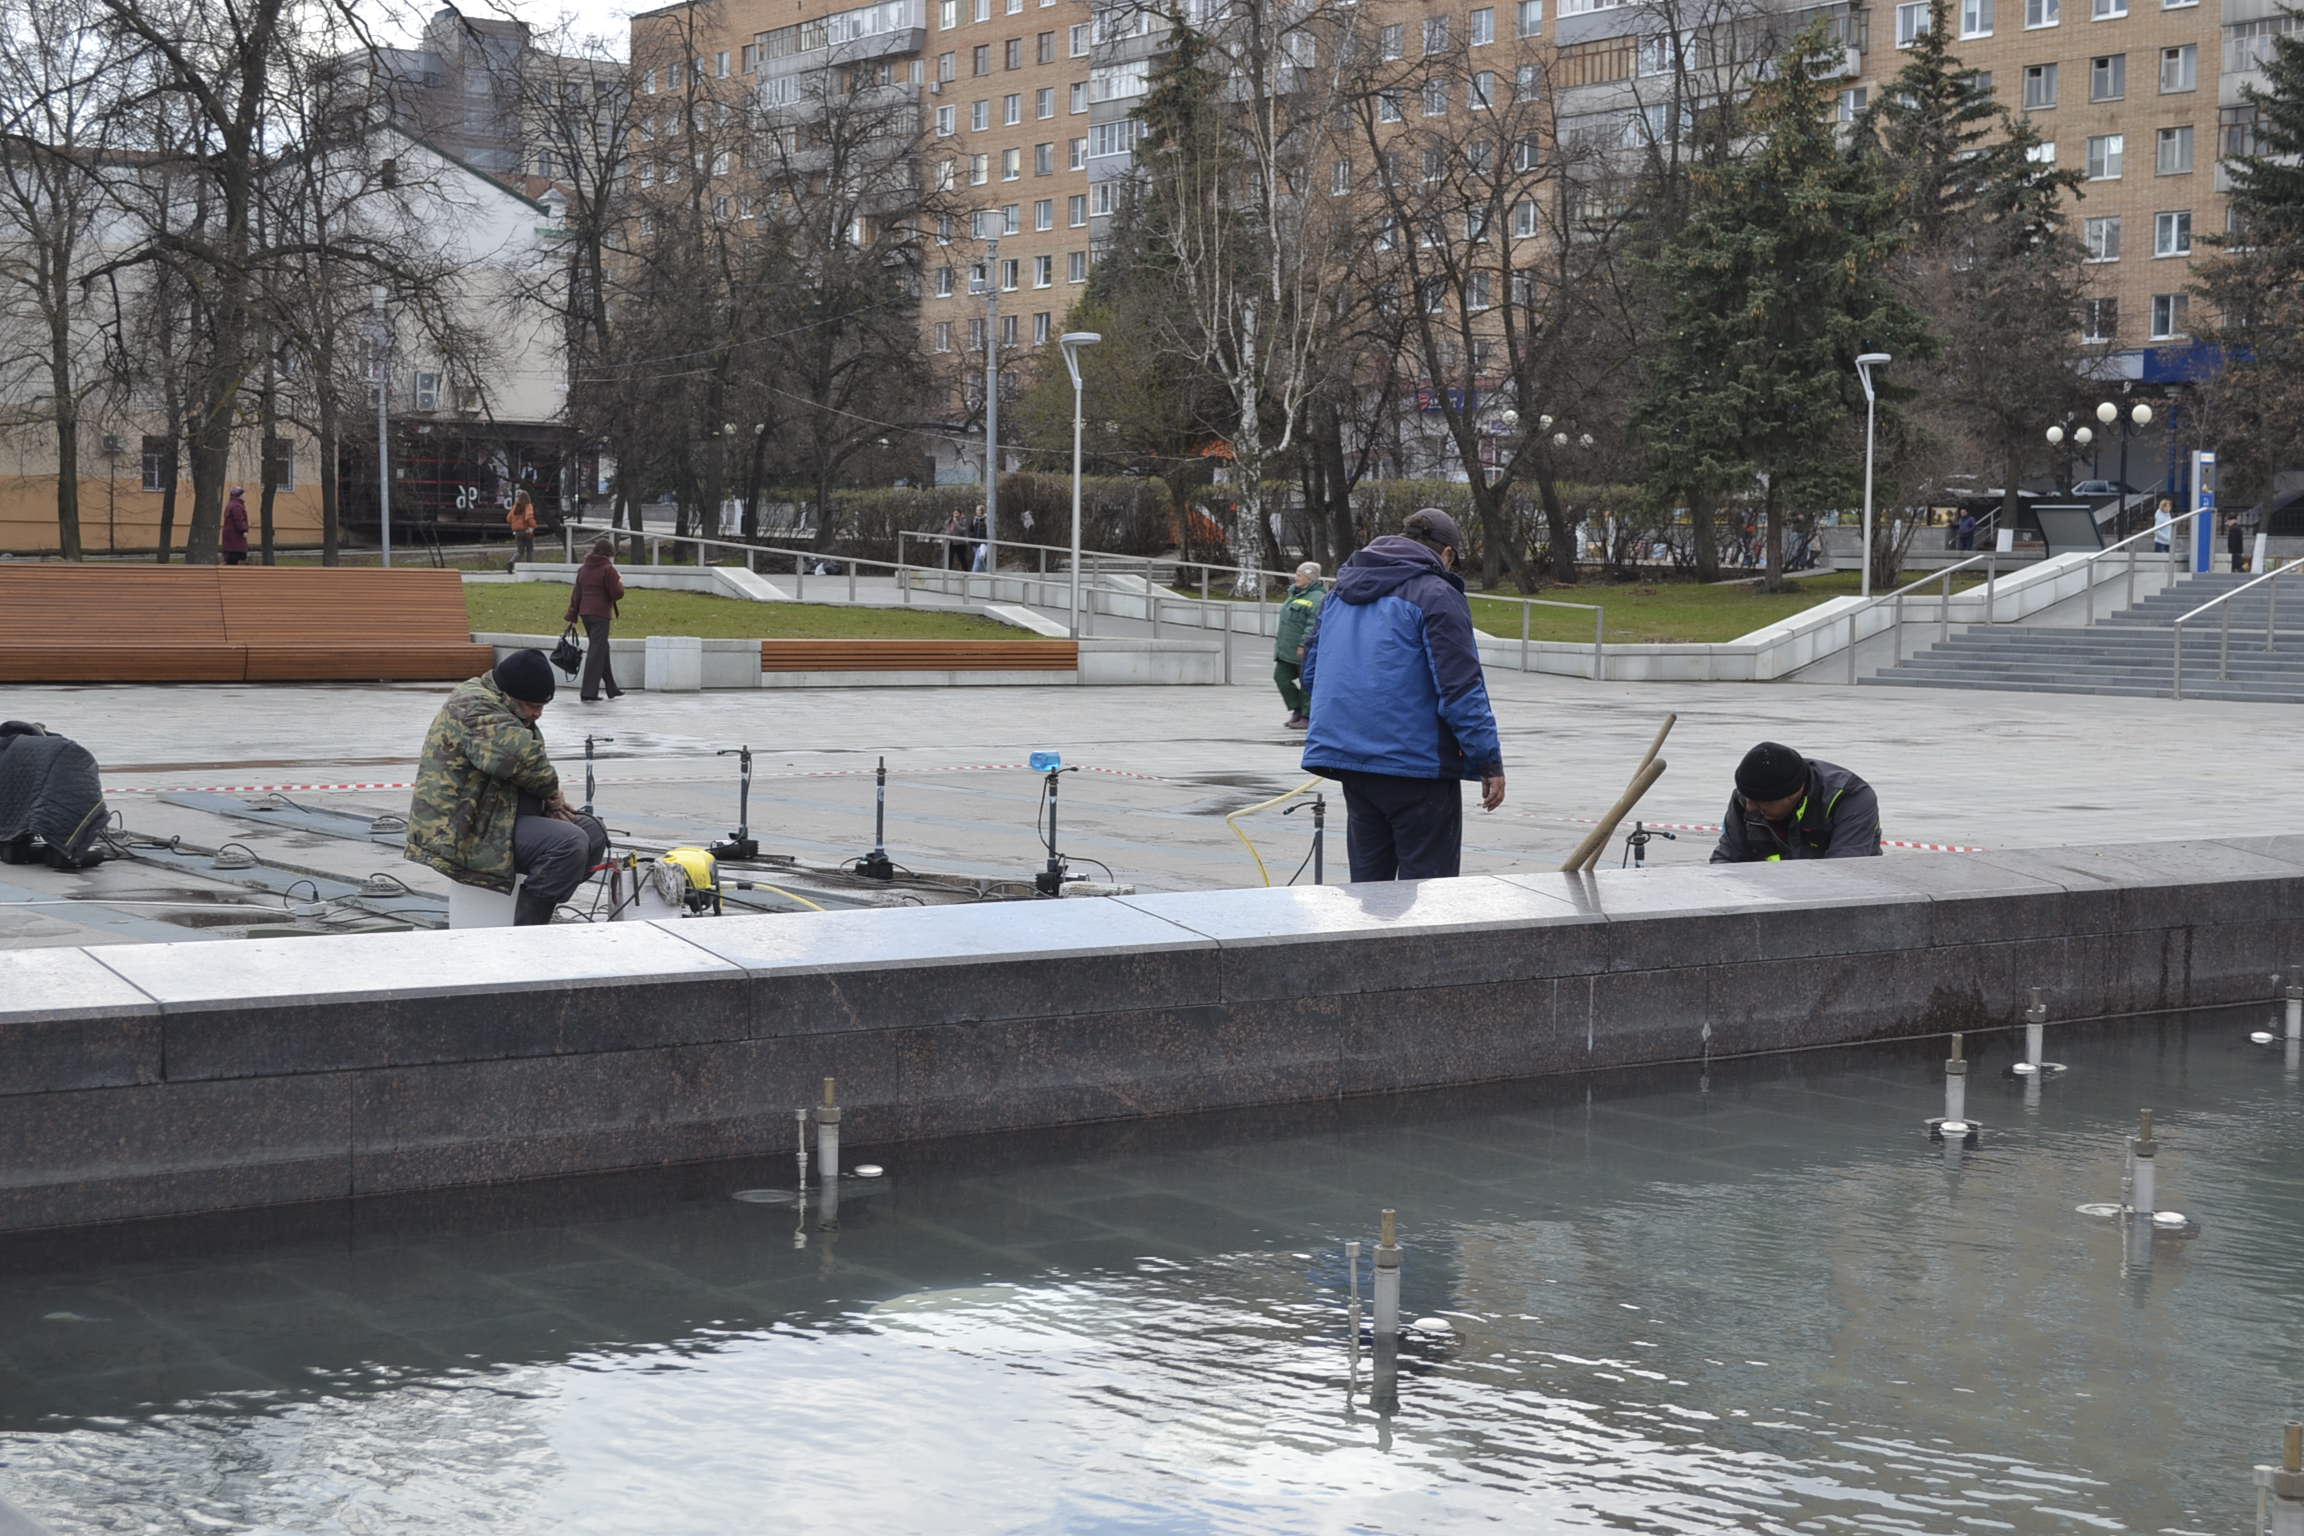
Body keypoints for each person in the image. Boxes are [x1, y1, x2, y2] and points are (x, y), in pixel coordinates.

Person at [1301, 508, 1505, 881]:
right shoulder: (1436, 593)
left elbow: (1312, 674)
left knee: (1368, 893)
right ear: (1446, 554)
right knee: (1431, 896)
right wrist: (1488, 761)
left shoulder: (1338, 594)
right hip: (1417, 767)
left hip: (1352, 762)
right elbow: (1460, 689)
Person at [404, 650, 607, 926]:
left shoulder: (508, 707)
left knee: (593, 832)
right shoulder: (475, 706)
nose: (539, 713)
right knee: (569, 844)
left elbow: (530, 770)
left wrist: (549, 801)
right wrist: (552, 797)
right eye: (534, 705)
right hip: (463, 829)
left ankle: (541, 901)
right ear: (511, 696)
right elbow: (526, 762)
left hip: (499, 813)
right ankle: (526, 932)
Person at [1710, 741, 1881, 863]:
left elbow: (1843, 873)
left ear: (1794, 794)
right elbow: (1725, 859)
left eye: (1761, 802)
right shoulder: (1748, 796)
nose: (1750, 808)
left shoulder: (1850, 798)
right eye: (1747, 798)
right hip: (1765, 896)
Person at [564, 536, 625, 703]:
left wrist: (572, 614)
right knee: (596, 652)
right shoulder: (608, 569)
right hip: (600, 614)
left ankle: (611, 687)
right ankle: (589, 692)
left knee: (601, 648)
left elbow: (577, 593)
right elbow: (616, 593)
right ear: (608, 554)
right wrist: (620, 581)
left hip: (585, 613)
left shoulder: (584, 569)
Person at [1273, 561, 1327, 730]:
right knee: (1280, 678)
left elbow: (1312, 624)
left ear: (1310, 578)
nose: (1296, 577)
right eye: (1296, 574)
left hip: (1302, 649)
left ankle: (1307, 716)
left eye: (1300, 575)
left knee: (1306, 683)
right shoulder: (1294, 594)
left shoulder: (1317, 598)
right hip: (1285, 649)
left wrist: (1304, 644)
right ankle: (1297, 708)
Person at [506, 489, 538, 569]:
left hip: (517, 532)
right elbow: (529, 517)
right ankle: (529, 567)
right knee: (530, 549)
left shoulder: (515, 507)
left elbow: (508, 519)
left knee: (520, 551)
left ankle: (511, 562)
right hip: (527, 531)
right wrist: (533, 526)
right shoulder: (528, 505)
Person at [220, 486, 249, 566]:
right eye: (243, 494)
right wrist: (244, 530)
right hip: (235, 536)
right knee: (234, 557)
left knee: (231, 557)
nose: (244, 496)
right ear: (239, 495)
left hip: (230, 537)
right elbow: (239, 520)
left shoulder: (231, 504)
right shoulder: (237, 506)